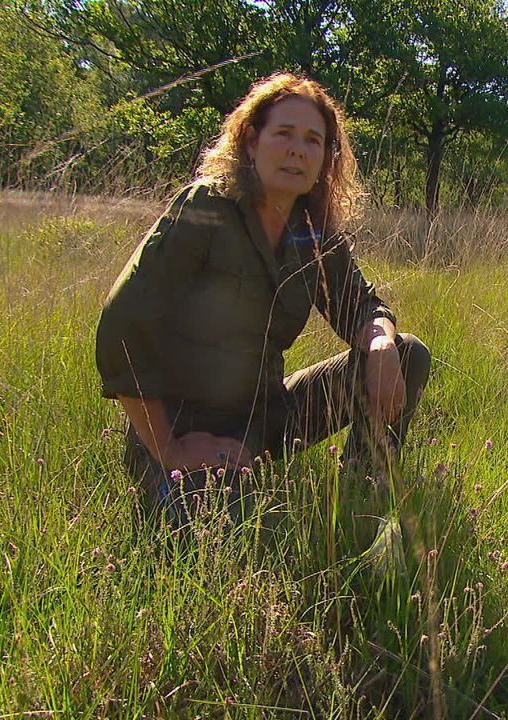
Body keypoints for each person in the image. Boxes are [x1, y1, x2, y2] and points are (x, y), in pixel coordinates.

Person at [95, 73, 430, 530]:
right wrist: (169, 446)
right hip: (184, 426)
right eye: (284, 134)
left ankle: (359, 502)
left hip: (267, 416)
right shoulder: (205, 209)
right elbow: (122, 324)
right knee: (224, 541)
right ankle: (176, 478)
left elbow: (362, 306)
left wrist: (380, 344)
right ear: (251, 142)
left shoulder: (312, 233)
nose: (297, 149)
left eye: (314, 140)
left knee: (408, 352)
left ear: (325, 160)